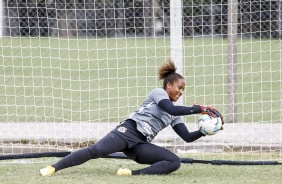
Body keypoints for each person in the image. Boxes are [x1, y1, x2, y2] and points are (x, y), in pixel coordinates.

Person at [40, 60, 223, 176]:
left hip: (140, 144)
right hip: (128, 131)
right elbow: (170, 109)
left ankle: (130, 173)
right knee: (96, 151)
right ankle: (53, 167)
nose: (181, 92)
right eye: (179, 88)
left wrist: (205, 131)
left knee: (174, 162)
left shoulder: (173, 113)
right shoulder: (158, 93)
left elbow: (187, 137)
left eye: (183, 90)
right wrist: (201, 109)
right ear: (168, 86)